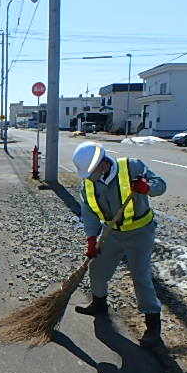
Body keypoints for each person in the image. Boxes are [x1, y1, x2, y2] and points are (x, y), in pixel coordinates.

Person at [71, 141, 166, 348]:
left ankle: (152, 324)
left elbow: (161, 185)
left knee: (140, 276)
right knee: (97, 269)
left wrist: (147, 187)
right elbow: (89, 212)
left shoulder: (133, 167)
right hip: (112, 233)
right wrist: (90, 238)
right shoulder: (88, 184)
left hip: (140, 232)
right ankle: (99, 304)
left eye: (92, 172)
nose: (90, 177)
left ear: (103, 163)